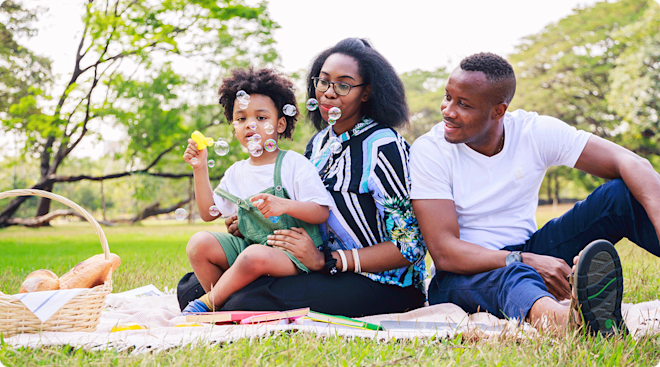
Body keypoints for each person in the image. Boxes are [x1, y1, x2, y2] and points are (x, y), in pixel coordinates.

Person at [410, 52, 660, 335]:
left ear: (498, 111)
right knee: (514, 274)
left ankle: (576, 307)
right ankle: (573, 323)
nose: (447, 110)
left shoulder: (532, 131)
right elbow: (444, 252)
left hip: (529, 251)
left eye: (463, 104)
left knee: (619, 196)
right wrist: (524, 261)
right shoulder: (430, 150)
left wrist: (527, 258)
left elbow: (633, 164)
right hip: (461, 276)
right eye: (448, 97)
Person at [179, 38, 427, 317]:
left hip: (382, 282)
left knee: (243, 300)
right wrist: (252, 222)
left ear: (366, 93)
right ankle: (221, 300)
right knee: (189, 288)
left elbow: (410, 246)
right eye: (323, 82)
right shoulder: (319, 144)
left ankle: (222, 304)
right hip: (317, 268)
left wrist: (328, 261)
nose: (329, 93)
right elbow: (301, 207)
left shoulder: (384, 146)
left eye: (343, 85)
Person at [181, 68, 334, 312]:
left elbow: (321, 211)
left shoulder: (293, 164)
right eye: (241, 119)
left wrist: (284, 204)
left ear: (280, 124)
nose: (250, 124)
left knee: (254, 255)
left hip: (293, 254)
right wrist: (199, 168)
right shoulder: (236, 172)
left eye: (261, 118)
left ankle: (207, 303)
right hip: (252, 250)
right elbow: (209, 212)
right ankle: (225, 303)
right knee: (199, 243)